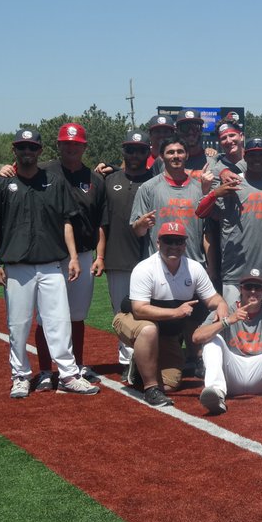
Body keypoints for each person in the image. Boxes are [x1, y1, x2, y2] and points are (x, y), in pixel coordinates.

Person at [0, 128, 99, 398]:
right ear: (15, 151)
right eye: (22, 147)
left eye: (32, 147)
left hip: (51, 264)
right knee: (19, 324)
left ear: (40, 151)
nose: (27, 152)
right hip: (17, 266)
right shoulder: (1, 185)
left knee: (58, 321)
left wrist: (72, 257)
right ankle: (20, 376)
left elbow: (66, 221)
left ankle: (69, 374)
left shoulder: (54, 182)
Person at [113, 221, 229, 407]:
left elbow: (213, 298)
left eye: (178, 241)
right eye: (168, 241)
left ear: (185, 245)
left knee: (171, 383)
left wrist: (221, 305)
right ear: (158, 243)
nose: (173, 246)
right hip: (132, 320)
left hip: (166, 331)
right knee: (149, 329)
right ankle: (151, 389)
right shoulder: (145, 268)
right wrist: (176, 312)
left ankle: (139, 367)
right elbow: (139, 309)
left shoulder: (194, 269)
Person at [192, 269, 262, 414]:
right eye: (249, 287)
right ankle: (216, 392)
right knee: (213, 340)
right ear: (241, 289)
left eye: (258, 287)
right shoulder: (227, 311)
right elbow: (196, 337)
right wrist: (227, 321)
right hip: (232, 373)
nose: (253, 291)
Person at [197, 137, 262, 306]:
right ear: (245, 157)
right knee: (232, 322)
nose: (257, 159)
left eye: (261, 155)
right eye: (252, 155)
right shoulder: (231, 182)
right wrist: (215, 194)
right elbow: (201, 212)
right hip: (234, 268)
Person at [102, 130, 154, 377]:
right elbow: (101, 223)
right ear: (123, 152)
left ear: (148, 152)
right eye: (130, 150)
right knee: (122, 313)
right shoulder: (109, 180)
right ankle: (127, 362)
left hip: (152, 258)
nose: (135, 155)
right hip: (118, 255)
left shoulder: (157, 179)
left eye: (140, 150)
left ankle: (149, 360)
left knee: (151, 312)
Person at [129, 135, 212, 266]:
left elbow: (207, 234)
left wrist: (211, 269)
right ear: (161, 157)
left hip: (193, 264)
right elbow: (137, 231)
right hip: (159, 265)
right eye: (170, 152)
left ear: (187, 155)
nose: (175, 156)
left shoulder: (200, 189)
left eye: (180, 151)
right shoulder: (148, 188)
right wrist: (142, 224)